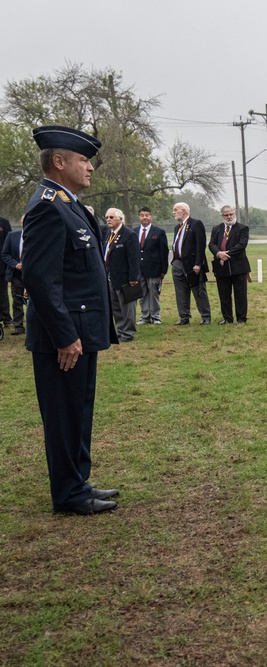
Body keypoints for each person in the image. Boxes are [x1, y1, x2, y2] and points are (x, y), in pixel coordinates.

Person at [21, 125, 119, 515]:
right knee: (63, 416)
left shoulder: (70, 204)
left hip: (82, 331)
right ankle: (68, 493)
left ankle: (79, 482)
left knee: (79, 410)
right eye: (83, 159)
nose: (90, 167)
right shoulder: (47, 205)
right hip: (63, 337)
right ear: (59, 162)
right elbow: (40, 279)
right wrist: (64, 336)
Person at [209, 205, 251, 325]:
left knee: (240, 294)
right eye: (226, 215)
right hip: (221, 267)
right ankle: (227, 318)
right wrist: (218, 253)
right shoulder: (216, 229)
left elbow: (241, 245)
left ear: (234, 214)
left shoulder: (242, 228)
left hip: (238, 266)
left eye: (231, 214)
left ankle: (241, 318)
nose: (229, 217)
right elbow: (211, 244)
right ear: (222, 216)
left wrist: (225, 255)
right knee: (224, 294)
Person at [170, 202, 211, 325]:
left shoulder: (196, 224)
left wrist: (198, 263)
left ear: (184, 210)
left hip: (192, 264)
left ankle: (205, 316)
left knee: (198, 290)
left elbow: (200, 245)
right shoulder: (177, 227)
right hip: (178, 263)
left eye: (175, 210)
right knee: (180, 291)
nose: (174, 212)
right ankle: (184, 316)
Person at [103, 208, 140, 342]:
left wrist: (133, 277)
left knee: (127, 307)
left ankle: (128, 333)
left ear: (120, 219)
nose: (108, 220)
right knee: (116, 306)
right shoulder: (108, 234)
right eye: (107, 217)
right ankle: (120, 330)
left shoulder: (129, 235)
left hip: (125, 278)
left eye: (111, 217)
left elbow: (134, 258)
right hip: (111, 276)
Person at [136, 206, 169, 324]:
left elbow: (164, 252)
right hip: (140, 270)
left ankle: (155, 316)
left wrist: (163, 270)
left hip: (154, 269)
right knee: (142, 294)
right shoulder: (134, 232)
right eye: (142, 215)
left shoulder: (159, 232)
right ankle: (144, 316)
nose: (144, 217)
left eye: (147, 215)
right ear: (139, 217)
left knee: (153, 293)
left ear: (151, 217)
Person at [1, 215, 26, 335]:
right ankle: (18, 325)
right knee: (17, 299)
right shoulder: (12, 236)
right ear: (21, 223)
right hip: (16, 273)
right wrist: (15, 264)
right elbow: (5, 253)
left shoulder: (38, 237)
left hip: (33, 274)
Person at [0, 215, 11, 328]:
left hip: (1, 265)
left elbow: (9, 242)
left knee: (3, 292)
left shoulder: (4, 222)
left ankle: (6, 318)